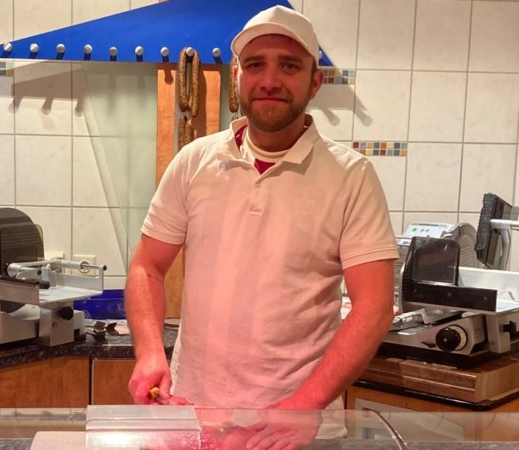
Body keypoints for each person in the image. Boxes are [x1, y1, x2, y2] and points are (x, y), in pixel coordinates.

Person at [125, 5, 398, 414]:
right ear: (238, 78)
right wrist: (149, 352)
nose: (270, 80)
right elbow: (147, 267)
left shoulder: (352, 176)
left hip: (300, 425)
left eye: (289, 66)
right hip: (193, 409)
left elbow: (374, 306)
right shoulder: (194, 161)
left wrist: (304, 405)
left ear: (315, 82)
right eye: (255, 65)